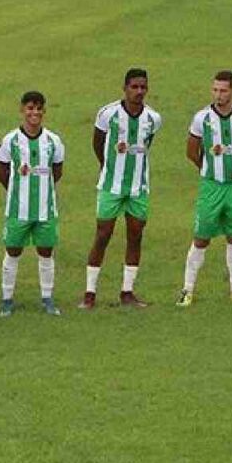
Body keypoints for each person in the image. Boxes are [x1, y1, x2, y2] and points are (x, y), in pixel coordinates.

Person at [80, 68, 162, 310]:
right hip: (111, 185)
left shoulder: (153, 118)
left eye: (143, 87)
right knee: (103, 235)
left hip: (138, 187)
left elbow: (146, 145)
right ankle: (89, 293)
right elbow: (98, 142)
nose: (139, 91)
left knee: (135, 235)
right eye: (134, 87)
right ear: (125, 88)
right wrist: (106, 166)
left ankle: (127, 292)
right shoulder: (108, 114)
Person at [176, 71, 232, 306]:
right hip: (211, 186)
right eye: (215, 90)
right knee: (201, 237)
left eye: (223, 90)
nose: (218, 95)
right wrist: (208, 167)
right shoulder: (202, 118)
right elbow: (191, 151)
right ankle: (187, 290)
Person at [0, 91, 65, 316]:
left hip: (46, 210)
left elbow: (57, 171)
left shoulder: (53, 141)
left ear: (44, 111)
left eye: (38, 108)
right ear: (22, 110)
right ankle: (7, 299)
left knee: (46, 252)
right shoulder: (10, 140)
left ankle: (47, 299)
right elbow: (1, 171)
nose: (34, 113)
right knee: (13, 251)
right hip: (18, 209)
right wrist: (18, 191)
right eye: (30, 108)